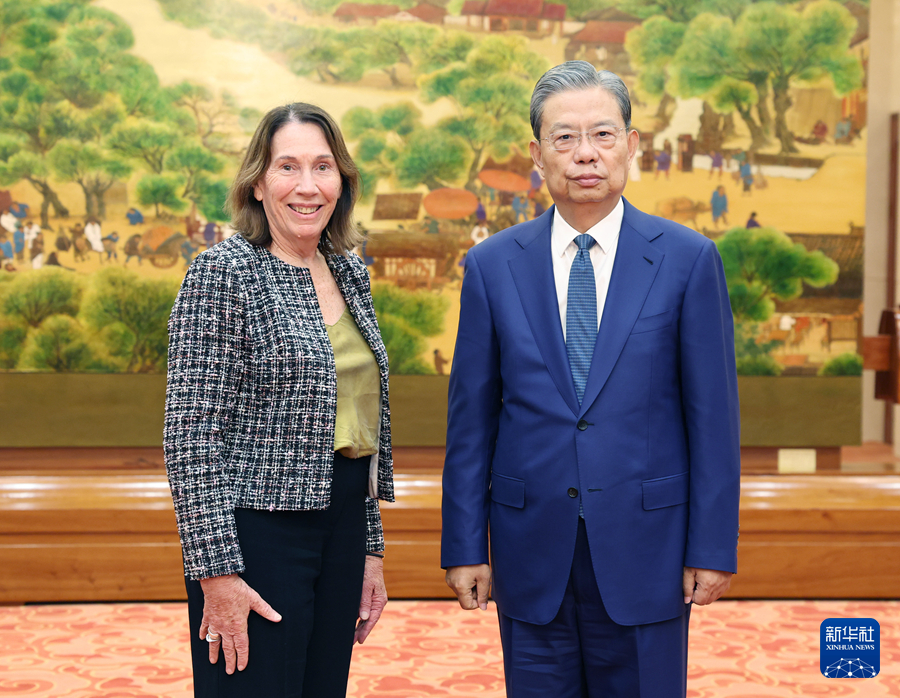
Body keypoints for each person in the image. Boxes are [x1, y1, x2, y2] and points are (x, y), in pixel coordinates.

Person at [442, 62, 740, 698]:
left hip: (648, 550)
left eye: (603, 135)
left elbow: (713, 420)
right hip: (530, 550)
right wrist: (464, 545)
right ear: (537, 154)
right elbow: (472, 421)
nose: (585, 154)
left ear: (631, 145)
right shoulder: (493, 266)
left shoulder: (688, 259)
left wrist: (712, 547)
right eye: (565, 137)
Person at [165, 102, 395, 698]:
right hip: (256, 537)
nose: (307, 185)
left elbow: (357, 430)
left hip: (343, 526)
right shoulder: (222, 273)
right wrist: (217, 573)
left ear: (342, 181)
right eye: (287, 166)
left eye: (323, 167)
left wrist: (369, 551)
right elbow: (190, 435)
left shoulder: (349, 273)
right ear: (257, 183)